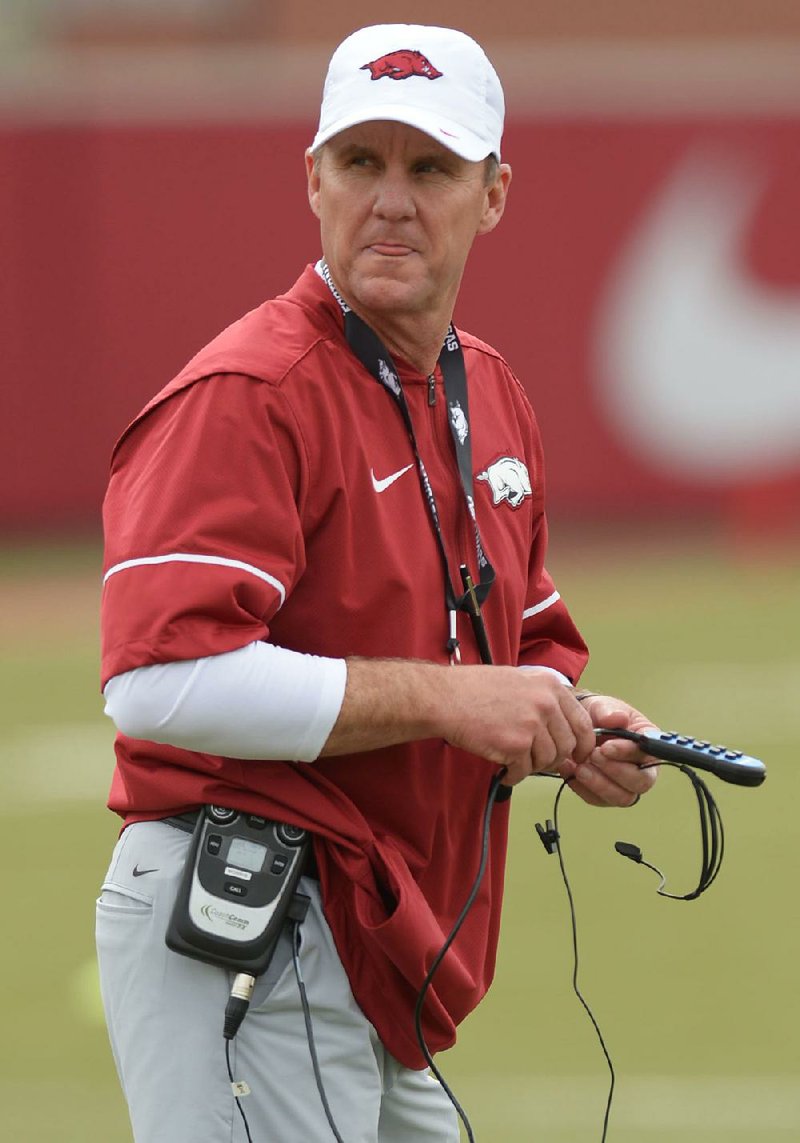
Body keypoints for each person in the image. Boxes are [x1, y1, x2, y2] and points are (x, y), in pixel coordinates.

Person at [96, 23, 657, 1143]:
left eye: (430, 167)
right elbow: (156, 685)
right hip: (244, 914)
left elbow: (514, 643)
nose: (390, 199)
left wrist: (566, 721)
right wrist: (456, 702)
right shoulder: (251, 390)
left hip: (375, 940)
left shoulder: (488, 392)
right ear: (313, 179)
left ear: (492, 194)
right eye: (362, 163)